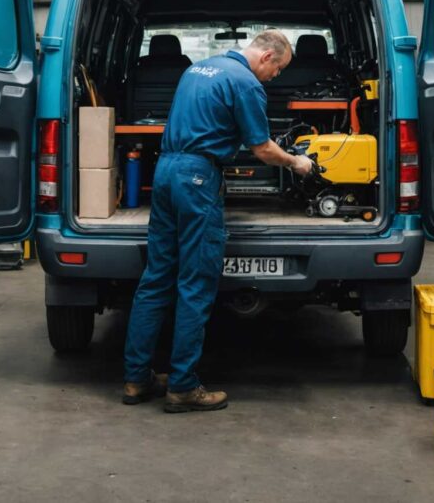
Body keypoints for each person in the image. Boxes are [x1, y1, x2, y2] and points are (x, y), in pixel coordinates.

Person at [122, 30, 314, 412]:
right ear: (266, 57)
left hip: (166, 171)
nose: (275, 77)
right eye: (278, 69)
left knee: (156, 278)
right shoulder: (246, 83)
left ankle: (136, 379)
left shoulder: (198, 69)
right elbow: (262, 148)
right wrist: (297, 162)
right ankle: (183, 387)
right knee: (195, 283)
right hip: (197, 178)